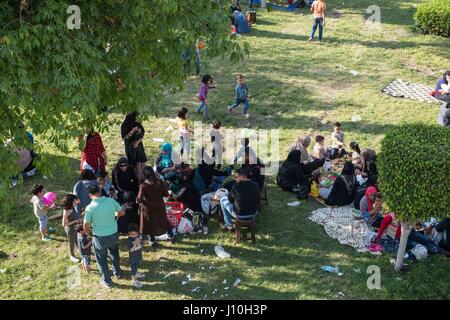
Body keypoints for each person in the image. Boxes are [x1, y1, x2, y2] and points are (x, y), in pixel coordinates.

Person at [83, 185, 125, 289]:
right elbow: (121, 212)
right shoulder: (111, 201)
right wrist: (113, 215)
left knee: (101, 259)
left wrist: (88, 233)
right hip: (113, 234)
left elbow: (85, 225)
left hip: (99, 237)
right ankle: (117, 272)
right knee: (114, 253)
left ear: (90, 195)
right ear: (100, 191)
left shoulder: (90, 208)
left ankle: (107, 281)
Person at [373, 212, 443, 257]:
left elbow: (412, 223)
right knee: (417, 245)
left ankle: (441, 251)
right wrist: (378, 237)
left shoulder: (406, 214)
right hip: (399, 238)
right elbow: (382, 228)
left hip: (409, 232)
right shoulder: (389, 217)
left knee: (425, 239)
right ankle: (434, 253)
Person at [137, 166, 175, 248]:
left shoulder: (143, 185)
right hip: (159, 206)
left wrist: (138, 201)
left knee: (149, 223)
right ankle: (171, 235)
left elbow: (139, 199)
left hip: (148, 209)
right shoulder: (160, 182)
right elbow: (166, 194)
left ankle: (152, 240)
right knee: (164, 221)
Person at [120, 112, 148, 183]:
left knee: (142, 163)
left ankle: (143, 181)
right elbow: (125, 138)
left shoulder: (137, 123)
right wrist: (132, 131)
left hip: (139, 147)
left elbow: (142, 132)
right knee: (135, 166)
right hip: (130, 148)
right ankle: (138, 183)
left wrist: (138, 141)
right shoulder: (124, 125)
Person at [61, 194, 83, 263]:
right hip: (70, 229)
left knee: (76, 239)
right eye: (74, 202)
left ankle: (79, 249)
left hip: (75, 227)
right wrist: (75, 221)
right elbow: (63, 224)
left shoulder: (73, 206)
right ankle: (72, 255)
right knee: (71, 242)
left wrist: (75, 197)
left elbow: (79, 202)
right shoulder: (66, 211)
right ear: (70, 202)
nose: (76, 202)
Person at [127, 223, 145, 288]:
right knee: (133, 268)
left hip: (138, 255)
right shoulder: (129, 240)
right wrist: (135, 244)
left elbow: (141, 242)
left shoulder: (139, 235)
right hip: (133, 257)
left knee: (137, 265)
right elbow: (131, 250)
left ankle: (136, 273)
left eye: (135, 233)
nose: (134, 235)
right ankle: (133, 280)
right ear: (129, 233)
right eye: (132, 234)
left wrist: (142, 241)